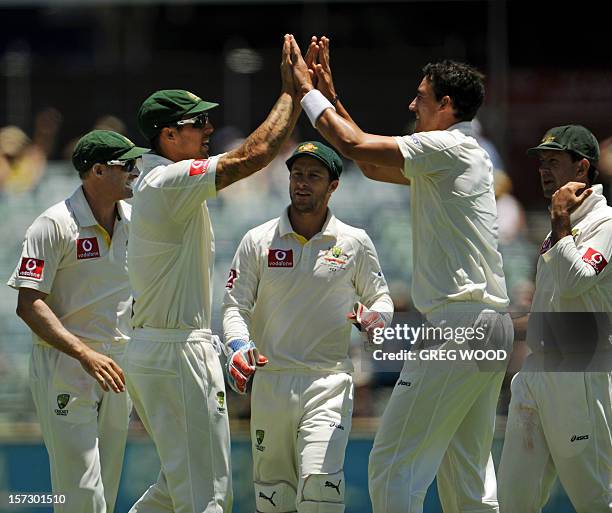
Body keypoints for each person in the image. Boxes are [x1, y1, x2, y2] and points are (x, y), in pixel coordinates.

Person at [288, 37, 514, 513]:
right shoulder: (454, 156)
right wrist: (331, 99)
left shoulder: (448, 148)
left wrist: (305, 91)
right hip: (487, 325)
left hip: (457, 328)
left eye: (421, 96)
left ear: (446, 105)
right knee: (468, 481)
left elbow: (353, 145)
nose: (412, 104)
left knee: (392, 466)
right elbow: (369, 164)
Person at [124, 34, 303, 513]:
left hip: (164, 347)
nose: (209, 127)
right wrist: (293, 94)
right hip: (175, 350)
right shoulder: (166, 181)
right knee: (208, 497)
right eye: (197, 121)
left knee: (174, 489)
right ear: (167, 134)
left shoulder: (163, 184)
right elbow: (253, 155)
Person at [222, 141, 393, 513]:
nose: (302, 183)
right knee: (274, 498)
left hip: (328, 382)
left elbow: (382, 300)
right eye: (297, 174)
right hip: (271, 382)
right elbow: (235, 305)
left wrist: (375, 320)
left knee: (320, 490)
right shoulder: (258, 240)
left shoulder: (354, 242)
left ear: (333, 186)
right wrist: (237, 345)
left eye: (313, 176)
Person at [7, 130, 148, 513]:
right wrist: (84, 354)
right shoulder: (52, 224)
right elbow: (28, 304)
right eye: (127, 165)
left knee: (107, 484)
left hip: (118, 365)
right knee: (81, 490)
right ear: (97, 171)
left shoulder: (136, 221)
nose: (136, 171)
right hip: (67, 365)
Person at [498, 125, 612, 513]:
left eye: (554, 162)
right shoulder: (556, 227)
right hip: (535, 373)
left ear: (582, 168)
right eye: (541, 162)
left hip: (580, 372)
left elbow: (575, 282)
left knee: (596, 500)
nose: (544, 170)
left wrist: (561, 220)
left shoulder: (605, 224)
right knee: (514, 502)